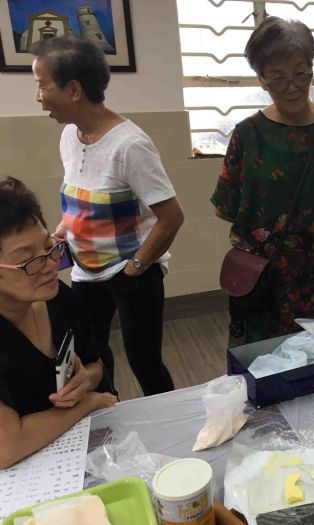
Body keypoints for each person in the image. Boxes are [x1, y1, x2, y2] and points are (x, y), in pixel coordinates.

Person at [31, 37, 185, 396]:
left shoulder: (130, 145)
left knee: (144, 360)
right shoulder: (70, 136)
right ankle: (108, 414)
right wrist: (60, 233)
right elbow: (80, 201)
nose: (38, 97)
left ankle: (172, 418)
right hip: (86, 272)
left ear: (73, 90)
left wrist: (134, 269)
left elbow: (172, 217)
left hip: (131, 274)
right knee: (93, 356)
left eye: (42, 85)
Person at [211, 17, 314, 345]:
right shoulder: (247, 135)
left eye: (300, 74)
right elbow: (225, 207)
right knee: (266, 361)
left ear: (311, 70)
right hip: (265, 279)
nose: (292, 87)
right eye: (278, 78)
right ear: (262, 80)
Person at [0, 177, 117, 468]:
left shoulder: (57, 297)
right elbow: (8, 447)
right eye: (28, 261)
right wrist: (87, 402)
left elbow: (96, 362)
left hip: (84, 446)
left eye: (49, 247)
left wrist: (86, 380)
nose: (51, 264)